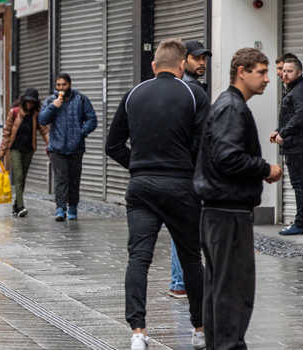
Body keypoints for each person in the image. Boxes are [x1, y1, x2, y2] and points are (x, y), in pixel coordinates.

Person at [105, 39, 209, 350]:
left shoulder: (133, 94)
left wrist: (137, 166)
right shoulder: (195, 93)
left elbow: (112, 146)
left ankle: (138, 332)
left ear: (153, 66)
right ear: (182, 65)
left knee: (138, 258)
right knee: (191, 259)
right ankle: (200, 330)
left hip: (141, 187)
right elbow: (206, 144)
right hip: (181, 186)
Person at [195, 47, 282, 350]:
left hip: (218, 212)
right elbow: (227, 157)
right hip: (227, 213)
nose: (268, 79)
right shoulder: (232, 108)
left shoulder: (227, 105)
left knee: (219, 289)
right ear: (241, 72)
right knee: (233, 290)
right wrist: (265, 168)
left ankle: (219, 344)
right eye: (261, 72)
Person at [168, 40, 212, 300]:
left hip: (181, 169)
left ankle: (180, 280)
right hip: (190, 171)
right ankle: (182, 281)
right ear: (183, 61)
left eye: (204, 58)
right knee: (186, 226)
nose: (202, 63)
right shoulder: (191, 90)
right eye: (197, 58)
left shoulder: (180, 87)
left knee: (182, 226)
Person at [38, 73, 97, 221]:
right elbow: (42, 120)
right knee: (60, 179)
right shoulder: (51, 101)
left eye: (64, 85)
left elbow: (92, 119)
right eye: (58, 85)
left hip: (76, 148)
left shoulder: (81, 99)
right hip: (57, 148)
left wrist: (81, 132)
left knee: (74, 179)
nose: (61, 88)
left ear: (69, 84)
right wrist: (53, 106)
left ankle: (72, 208)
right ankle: (60, 208)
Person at [0, 87, 49, 217]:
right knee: (19, 176)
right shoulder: (13, 113)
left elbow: (44, 131)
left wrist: (51, 145)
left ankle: (16, 205)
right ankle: (20, 206)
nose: (30, 105)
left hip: (29, 150)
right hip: (15, 149)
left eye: (33, 103)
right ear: (24, 101)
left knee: (23, 178)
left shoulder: (36, 114)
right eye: (28, 102)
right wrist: (1, 153)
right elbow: (7, 134)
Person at [270, 58, 303, 235]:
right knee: (297, 184)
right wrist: (278, 130)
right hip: (292, 144)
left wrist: (284, 133)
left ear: (299, 73)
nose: (285, 74)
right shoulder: (292, 89)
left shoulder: (298, 90)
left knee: (298, 184)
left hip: (296, 146)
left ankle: (300, 223)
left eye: (289, 71)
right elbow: (290, 115)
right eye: (284, 71)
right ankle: (300, 222)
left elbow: (300, 114)